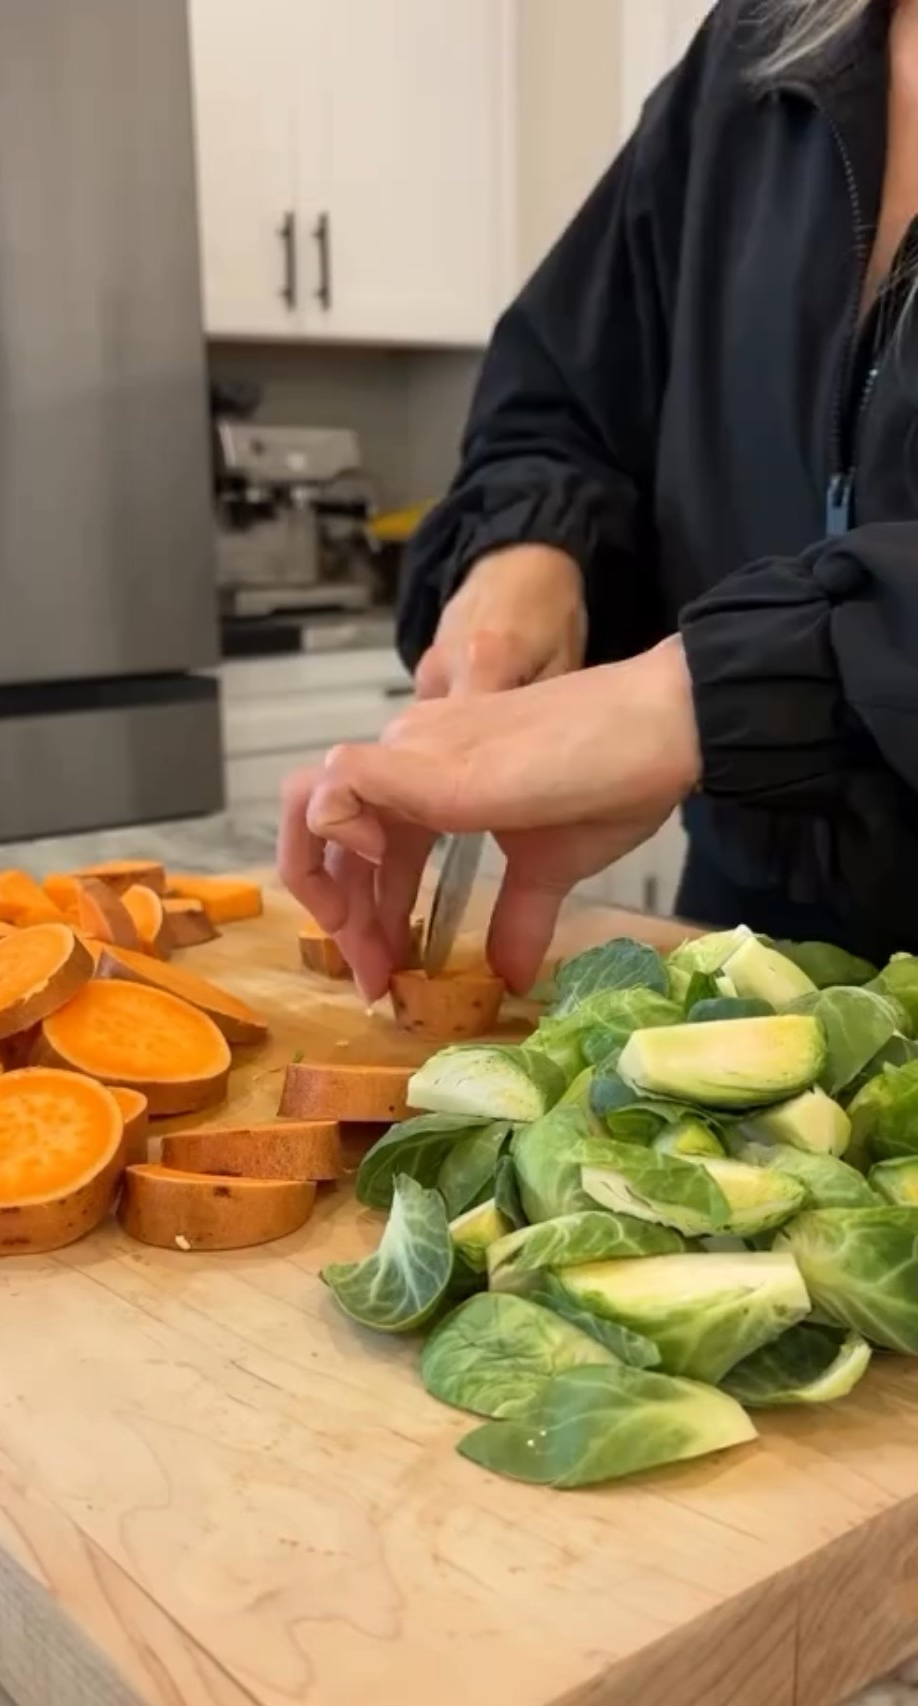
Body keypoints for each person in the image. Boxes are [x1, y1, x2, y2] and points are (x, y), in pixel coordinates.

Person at [279, 0, 918, 1002]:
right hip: (736, 939)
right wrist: (532, 554)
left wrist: (706, 693)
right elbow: (566, 398)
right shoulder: (760, 43)